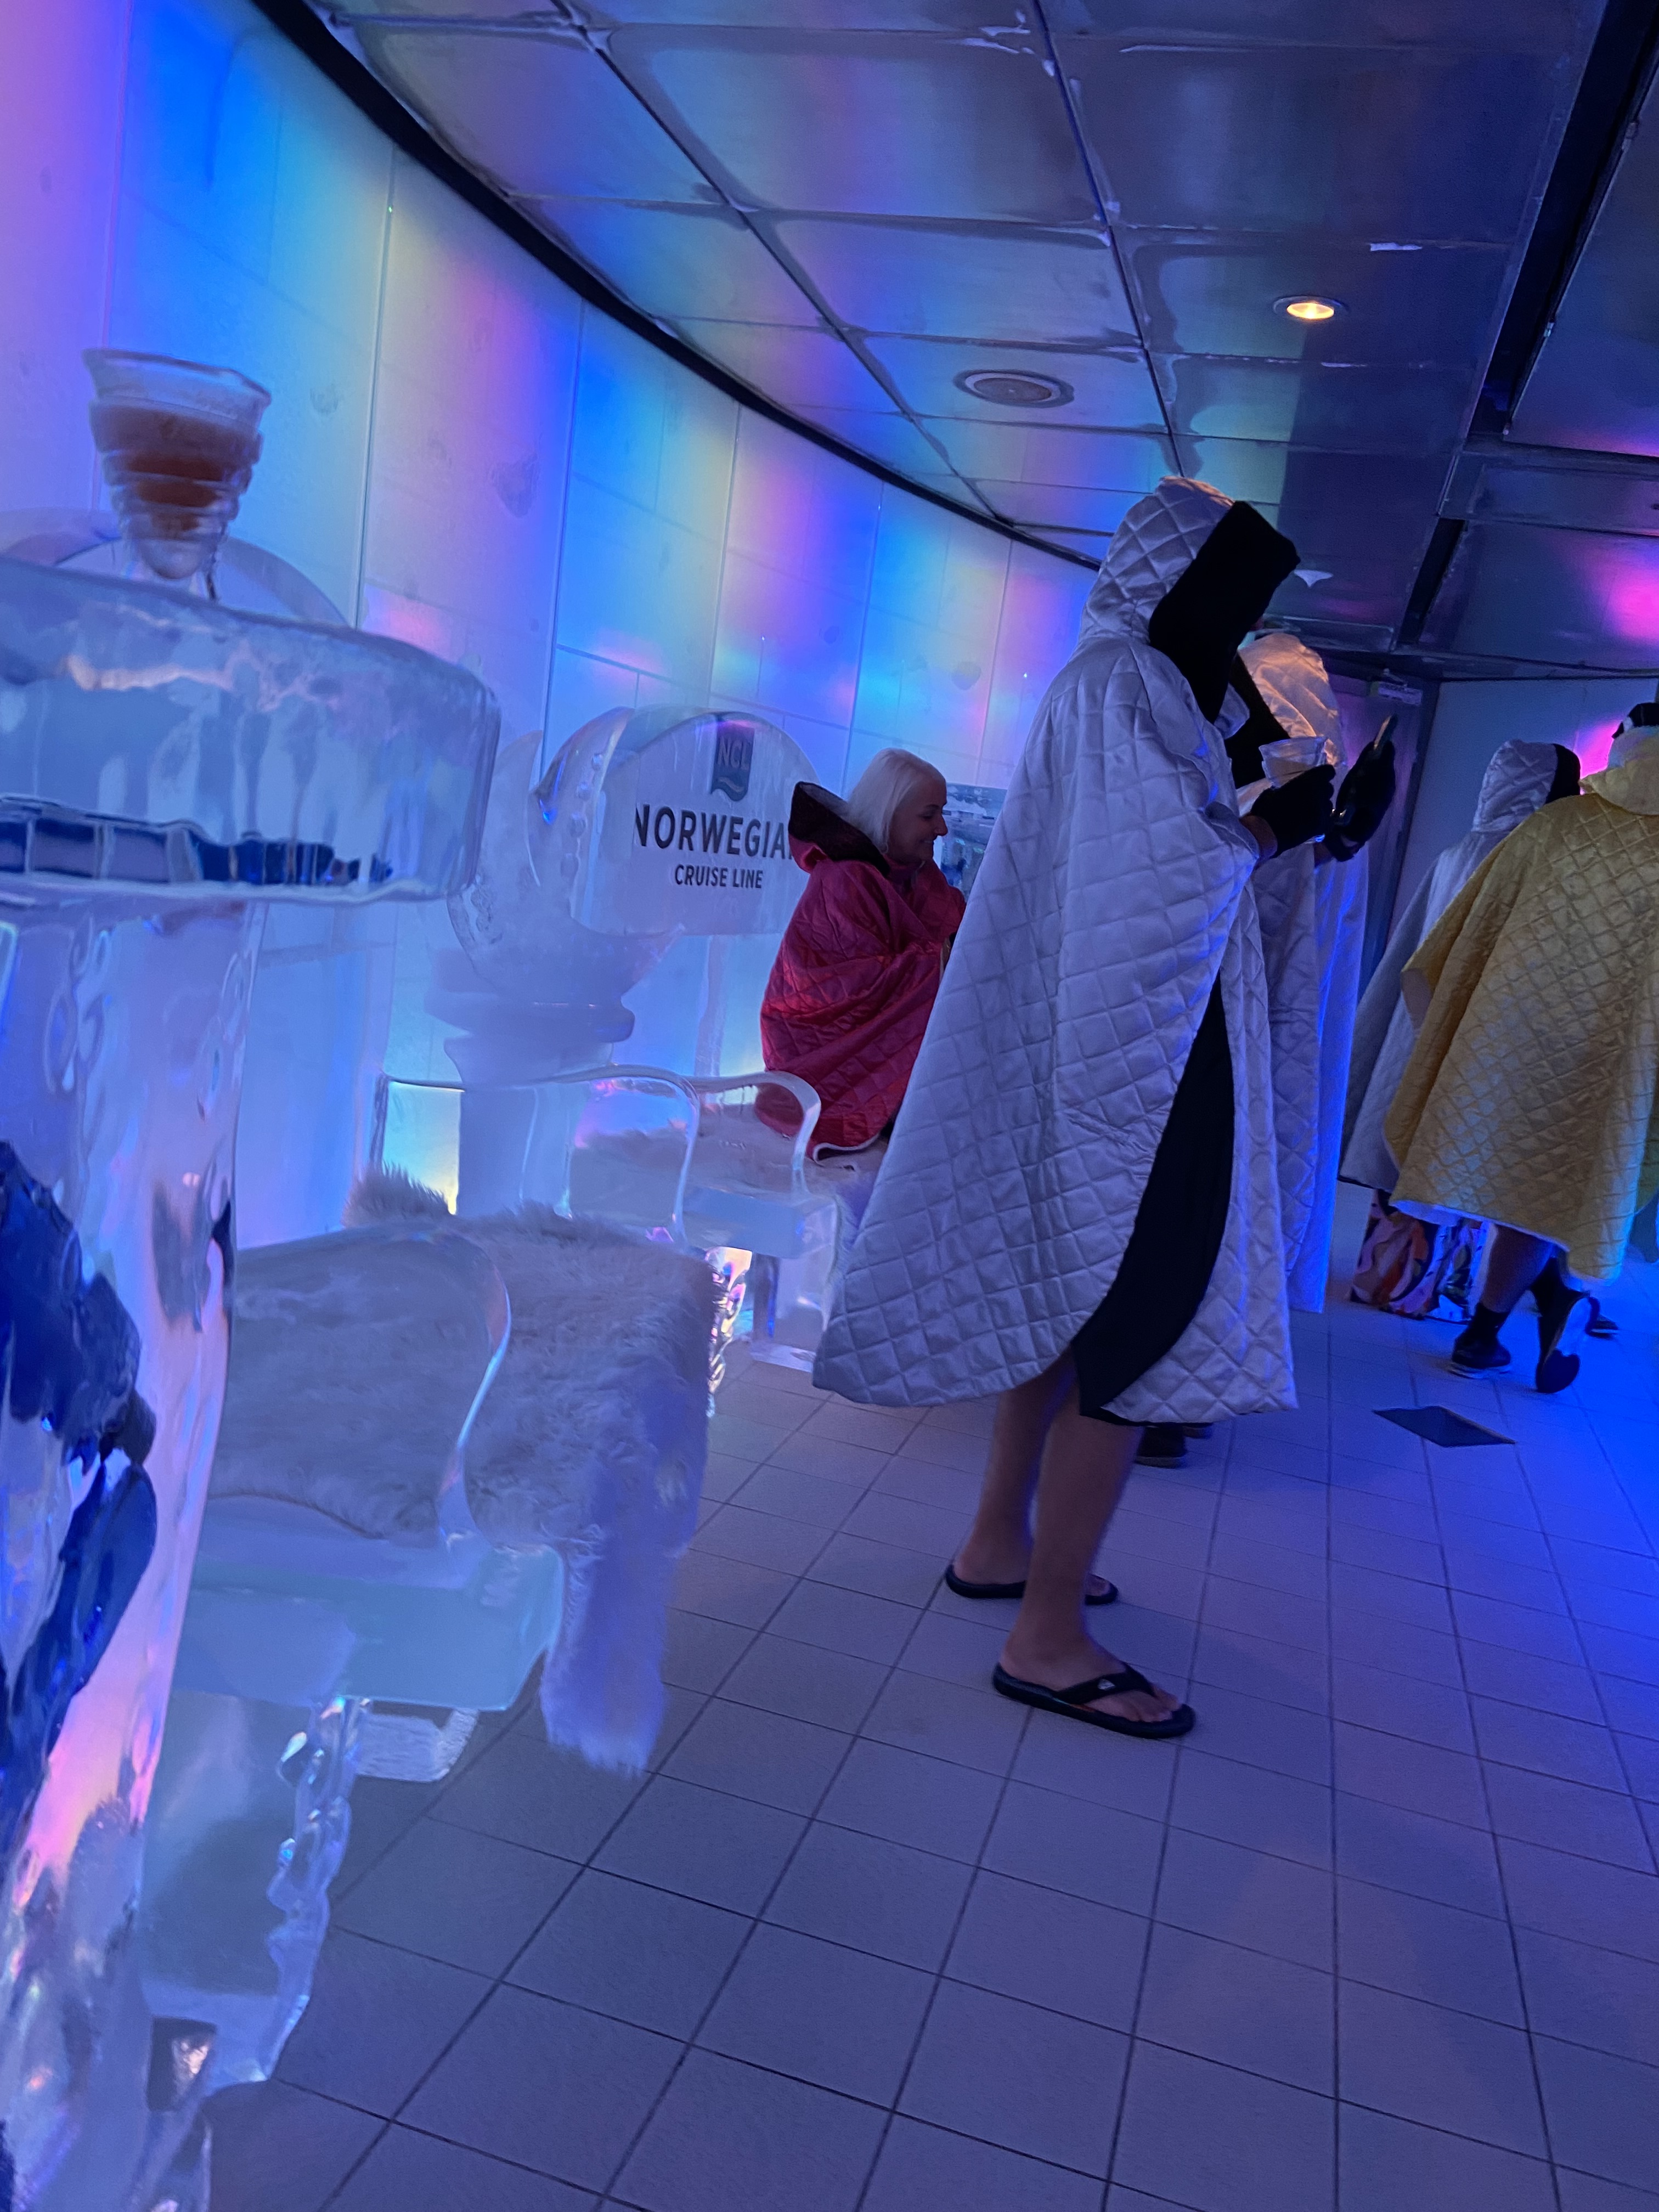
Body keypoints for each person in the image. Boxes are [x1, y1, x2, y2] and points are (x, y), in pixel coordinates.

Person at [815, 478, 1336, 1739]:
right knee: (1137, 1331)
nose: (1240, 628)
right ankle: (1047, 1636)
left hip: (1104, 1051)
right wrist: (1272, 828)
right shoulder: (1133, 687)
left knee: (1065, 1299)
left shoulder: (1120, 684)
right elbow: (1165, 881)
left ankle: (1000, 1542)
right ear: (1182, 588)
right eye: (1233, 601)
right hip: (1145, 1069)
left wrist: (1243, 787)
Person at [1383, 707, 1659, 1392]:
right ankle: (1555, 1295)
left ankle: (1489, 1329)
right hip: (1620, 1066)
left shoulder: (1555, 825)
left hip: (1513, 1047)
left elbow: (1463, 941)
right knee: (1571, 1193)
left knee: (1522, 1186)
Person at [1342, 738, 1581, 1318]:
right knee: (1451, 1159)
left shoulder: (1459, 849)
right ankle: (1421, 1295)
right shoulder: (1531, 856)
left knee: (1402, 1150)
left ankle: (1378, 1281)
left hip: (1415, 1027)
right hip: (1476, 1034)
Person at [759, 749, 964, 1156]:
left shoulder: (921, 876)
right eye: (929, 816)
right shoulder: (844, 880)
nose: (941, 829)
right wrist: (944, 959)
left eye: (941, 814)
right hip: (817, 1059)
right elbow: (846, 990)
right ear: (890, 814)